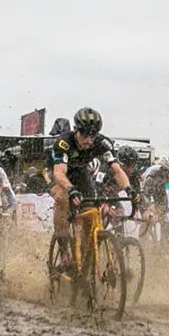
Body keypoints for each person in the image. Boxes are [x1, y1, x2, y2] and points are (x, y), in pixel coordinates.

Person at [47, 108, 139, 261]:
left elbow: (116, 170)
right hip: (59, 175)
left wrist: (129, 189)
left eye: (93, 135)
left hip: (82, 176)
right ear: (76, 130)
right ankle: (63, 250)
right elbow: (59, 173)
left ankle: (85, 258)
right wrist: (70, 190)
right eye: (84, 135)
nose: (89, 140)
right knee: (61, 199)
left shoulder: (102, 143)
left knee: (91, 214)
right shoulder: (64, 143)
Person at [138, 156, 169, 239]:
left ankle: (164, 240)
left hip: (160, 187)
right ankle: (145, 233)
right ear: (162, 168)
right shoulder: (152, 174)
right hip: (146, 187)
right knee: (149, 213)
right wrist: (149, 207)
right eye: (167, 171)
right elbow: (145, 195)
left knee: (164, 213)